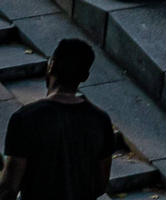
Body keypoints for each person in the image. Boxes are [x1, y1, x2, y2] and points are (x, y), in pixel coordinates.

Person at [0, 37, 118, 200]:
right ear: (85, 76)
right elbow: (100, 185)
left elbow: (9, 188)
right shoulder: (100, 121)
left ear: (51, 65)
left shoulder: (25, 119)